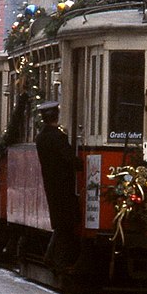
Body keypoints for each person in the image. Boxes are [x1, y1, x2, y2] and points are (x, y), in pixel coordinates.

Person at [35, 101, 83, 271]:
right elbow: (69, 158)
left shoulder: (41, 138)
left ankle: (51, 256)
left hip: (51, 184)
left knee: (60, 223)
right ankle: (56, 260)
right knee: (66, 223)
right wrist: (81, 164)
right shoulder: (58, 137)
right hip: (64, 185)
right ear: (56, 116)